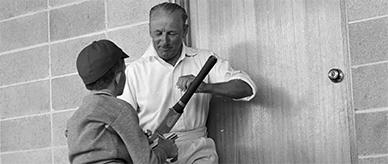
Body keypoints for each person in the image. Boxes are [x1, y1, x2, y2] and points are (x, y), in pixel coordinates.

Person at [119, 2, 257, 164]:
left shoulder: (203, 59)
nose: (164, 41)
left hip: (198, 151)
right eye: (158, 33)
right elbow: (123, 123)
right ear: (149, 30)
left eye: (171, 33)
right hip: (153, 153)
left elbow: (247, 87)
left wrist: (206, 87)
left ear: (185, 30)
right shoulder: (134, 71)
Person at [66, 39, 178, 164]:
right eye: (124, 71)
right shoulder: (120, 109)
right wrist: (165, 150)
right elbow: (147, 162)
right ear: (118, 78)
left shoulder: (74, 119)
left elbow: (100, 151)